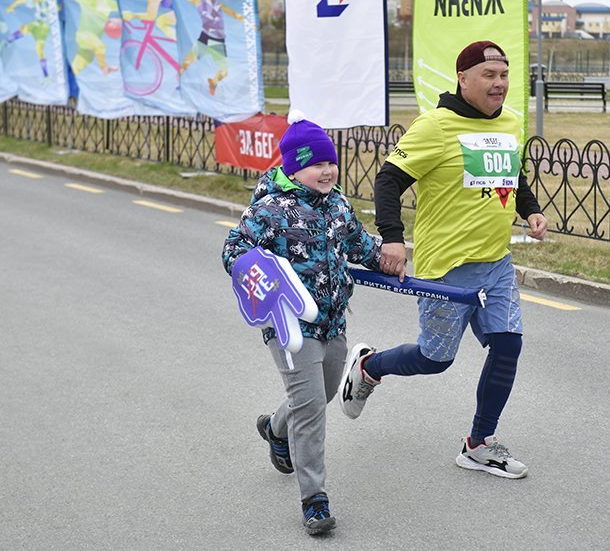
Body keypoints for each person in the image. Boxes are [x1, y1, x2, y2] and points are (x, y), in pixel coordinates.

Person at [339, 40, 548, 479]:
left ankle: (479, 444)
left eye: (504, 75)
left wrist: (530, 210)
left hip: (495, 262)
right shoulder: (435, 126)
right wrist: (392, 240)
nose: (499, 84)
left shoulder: (511, 122)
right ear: (463, 78)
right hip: (446, 268)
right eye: (489, 75)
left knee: (508, 344)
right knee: (436, 359)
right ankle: (368, 366)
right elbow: (388, 180)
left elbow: (512, 173)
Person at [222, 111, 382, 535]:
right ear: (295, 167)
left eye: (331, 162)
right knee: (311, 408)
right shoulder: (271, 210)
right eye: (317, 164)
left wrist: (386, 257)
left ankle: (276, 430)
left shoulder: (337, 204)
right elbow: (233, 252)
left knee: (325, 392)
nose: (328, 171)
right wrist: (263, 280)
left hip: (332, 320)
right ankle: (315, 500)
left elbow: (360, 245)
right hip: (290, 327)